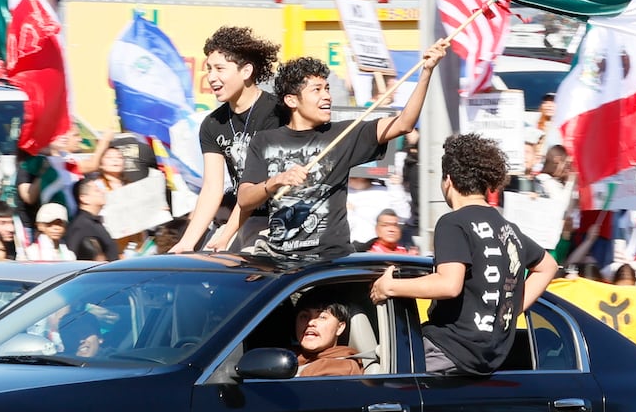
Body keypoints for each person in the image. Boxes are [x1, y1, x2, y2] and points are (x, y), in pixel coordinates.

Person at [238, 40, 450, 262]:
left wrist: (426, 71)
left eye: (327, 88)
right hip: (281, 260)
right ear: (291, 100)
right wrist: (276, 181)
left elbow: (404, 123)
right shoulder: (264, 141)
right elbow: (245, 199)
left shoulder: (344, 133)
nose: (327, 96)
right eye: (317, 90)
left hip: (330, 261)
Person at [369, 133, 559, 376]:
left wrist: (390, 287)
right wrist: (509, 310)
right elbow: (549, 266)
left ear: (447, 180)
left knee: (372, 379)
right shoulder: (508, 229)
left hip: (449, 350)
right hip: (490, 356)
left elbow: (449, 284)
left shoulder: (453, 223)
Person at [172, 26, 285, 254]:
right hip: (240, 219)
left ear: (246, 71)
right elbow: (212, 188)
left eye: (219, 69)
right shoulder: (212, 124)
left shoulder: (276, 113)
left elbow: (256, 188)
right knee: (201, 270)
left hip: (278, 220)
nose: (211, 77)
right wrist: (187, 242)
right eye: (209, 69)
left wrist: (226, 235)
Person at [293, 301, 363, 377]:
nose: (310, 323)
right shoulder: (288, 356)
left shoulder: (342, 367)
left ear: (339, 327)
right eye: (304, 316)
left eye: (322, 317)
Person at [65, 176, 119, 262]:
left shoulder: (94, 222)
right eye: (97, 190)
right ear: (84, 198)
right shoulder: (81, 225)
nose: (103, 192)